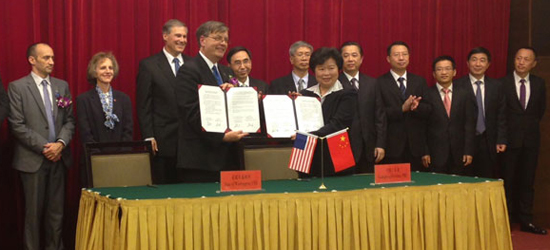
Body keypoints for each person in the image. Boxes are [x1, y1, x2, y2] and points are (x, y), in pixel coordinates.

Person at [8, 42, 75, 250]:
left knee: (56, 215)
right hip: (32, 160)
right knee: (33, 216)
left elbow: (70, 120)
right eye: (46, 58)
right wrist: (46, 147)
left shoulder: (61, 86)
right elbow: (16, 125)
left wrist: (60, 144)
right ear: (32, 60)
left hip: (59, 159)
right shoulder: (17, 87)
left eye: (53, 58)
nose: (52, 62)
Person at [175, 21, 248, 183]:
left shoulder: (227, 72)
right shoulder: (189, 70)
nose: (223, 43)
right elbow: (191, 113)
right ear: (203, 40)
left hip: (229, 158)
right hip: (201, 161)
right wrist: (221, 137)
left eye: (225, 39)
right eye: (217, 38)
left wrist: (234, 94)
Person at [136, 19, 191, 184]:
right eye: (178, 36)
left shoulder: (193, 64)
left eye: (185, 36)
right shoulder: (149, 65)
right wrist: (148, 135)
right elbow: (143, 104)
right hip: (163, 141)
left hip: (190, 142)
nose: (182, 40)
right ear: (165, 36)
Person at [501, 47, 547, 235]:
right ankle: (506, 221)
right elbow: (500, 114)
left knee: (527, 182)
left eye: (526, 59)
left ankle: (526, 221)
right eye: (518, 58)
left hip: (530, 141)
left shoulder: (539, 83)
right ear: (514, 60)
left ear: (534, 64)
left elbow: (540, 111)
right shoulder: (502, 83)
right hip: (508, 141)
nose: (521, 62)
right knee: (508, 181)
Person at [298, 47, 357, 178]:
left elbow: (338, 125)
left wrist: (308, 134)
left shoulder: (348, 94)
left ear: (338, 69)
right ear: (314, 71)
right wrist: (293, 104)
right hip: (308, 154)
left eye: (331, 68)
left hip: (337, 154)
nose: (326, 73)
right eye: (321, 69)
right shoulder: (304, 95)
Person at [378, 41, 430, 171]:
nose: (401, 58)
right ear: (388, 59)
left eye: (404, 54)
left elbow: (429, 110)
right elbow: (379, 113)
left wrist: (417, 107)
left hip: (416, 147)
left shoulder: (419, 81)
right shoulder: (379, 82)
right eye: (396, 55)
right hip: (391, 147)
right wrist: (401, 109)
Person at [455, 47, 506, 178]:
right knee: (465, 178)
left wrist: (501, 139)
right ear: (467, 63)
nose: (478, 64)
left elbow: (501, 115)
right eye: (474, 60)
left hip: (488, 140)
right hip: (464, 141)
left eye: (482, 60)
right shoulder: (457, 85)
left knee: (487, 177)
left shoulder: (497, 86)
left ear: (488, 64)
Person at [422, 56, 475, 175]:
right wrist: (425, 152)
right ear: (434, 74)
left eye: (447, 69)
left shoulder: (464, 94)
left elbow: (469, 124)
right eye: (439, 69)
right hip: (435, 153)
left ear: (454, 72)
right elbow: (422, 127)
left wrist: (468, 151)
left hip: (459, 153)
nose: (444, 72)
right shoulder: (426, 94)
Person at [338, 42, 386, 173]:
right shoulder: (335, 83)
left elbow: (380, 116)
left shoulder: (372, 83)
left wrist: (380, 144)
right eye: (346, 56)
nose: (350, 59)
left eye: (354, 55)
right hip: (342, 146)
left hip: (368, 147)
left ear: (361, 58)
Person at [77, 52, 133, 146]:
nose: (108, 71)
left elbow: (128, 131)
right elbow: (86, 133)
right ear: (94, 72)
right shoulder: (83, 100)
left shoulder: (124, 99)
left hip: (121, 156)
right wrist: (99, 157)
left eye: (110, 68)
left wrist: (121, 154)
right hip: (94, 156)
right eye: (103, 68)